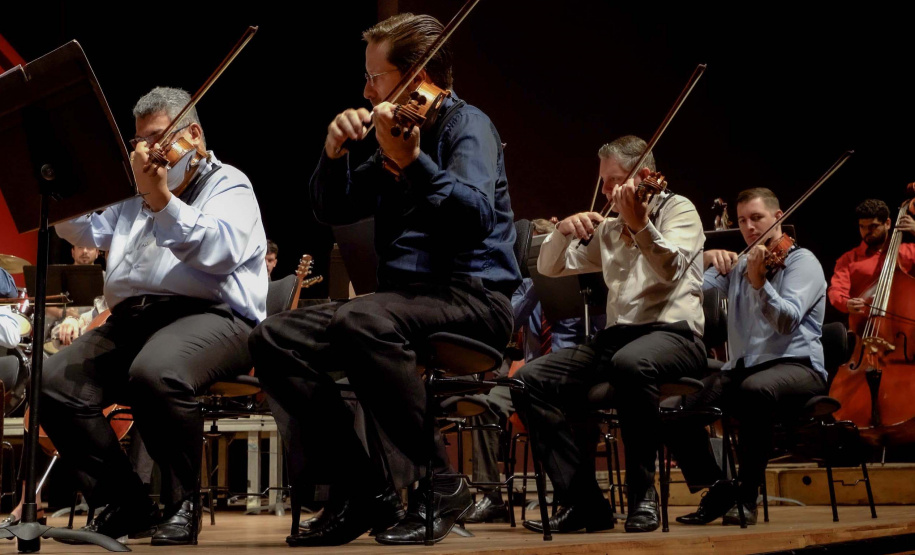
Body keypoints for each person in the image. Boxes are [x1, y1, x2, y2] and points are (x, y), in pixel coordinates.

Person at [249, 12, 520, 547]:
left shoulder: (468, 127)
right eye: (368, 77)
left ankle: (440, 483)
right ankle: (362, 490)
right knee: (274, 338)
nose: (367, 90)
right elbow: (333, 208)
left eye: (375, 77)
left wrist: (414, 162)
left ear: (417, 76)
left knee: (362, 318)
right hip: (403, 304)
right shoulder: (396, 132)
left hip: (474, 298)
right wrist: (333, 154)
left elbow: (474, 219)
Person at [39, 86, 268, 546]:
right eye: (139, 141)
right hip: (134, 320)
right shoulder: (135, 192)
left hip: (215, 316)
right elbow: (86, 230)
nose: (148, 151)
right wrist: (67, 188)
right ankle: (126, 502)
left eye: (159, 137)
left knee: (156, 370)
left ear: (194, 135)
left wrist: (161, 199)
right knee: (52, 382)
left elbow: (218, 253)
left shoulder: (229, 184)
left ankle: (183, 503)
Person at [512, 136, 706, 534]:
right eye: (603, 181)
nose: (605, 191)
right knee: (528, 381)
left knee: (630, 364)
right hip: (619, 339)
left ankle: (642, 497)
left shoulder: (679, 210)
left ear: (644, 175)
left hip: (676, 335)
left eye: (613, 180)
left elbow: (671, 269)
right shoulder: (611, 229)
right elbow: (551, 268)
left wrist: (641, 224)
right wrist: (562, 232)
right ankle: (585, 503)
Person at [670, 187, 827, 525]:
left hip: (797, 366)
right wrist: (705, 259)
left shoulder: (802, 262)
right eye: (742, 221)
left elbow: (786, 322)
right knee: (675, 408)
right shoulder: (741, 264)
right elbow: (687, 287)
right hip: (745, 369)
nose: (749, 227)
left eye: (756, 218)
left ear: (778, 217)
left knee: (754, 391)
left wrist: (759, 284)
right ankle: (720, 487)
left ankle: (747, 495)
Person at [463, 218, 604, 523]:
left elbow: (600, 327)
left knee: (578, 410)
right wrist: (539, 283)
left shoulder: (582, 277)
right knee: (482, 406)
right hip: (529, 375)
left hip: (572, 372)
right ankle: (491, 497)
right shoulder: (527, 285)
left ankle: (578, 495)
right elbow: (509, 322)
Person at [827, 199, 915, 329]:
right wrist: (847, 303)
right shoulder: (848, 259)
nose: (866, 231)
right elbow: (836, 290)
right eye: (862, 226)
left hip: (905, 328)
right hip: (866, 328)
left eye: (873, 226)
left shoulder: (908, 252)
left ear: (887, 223)